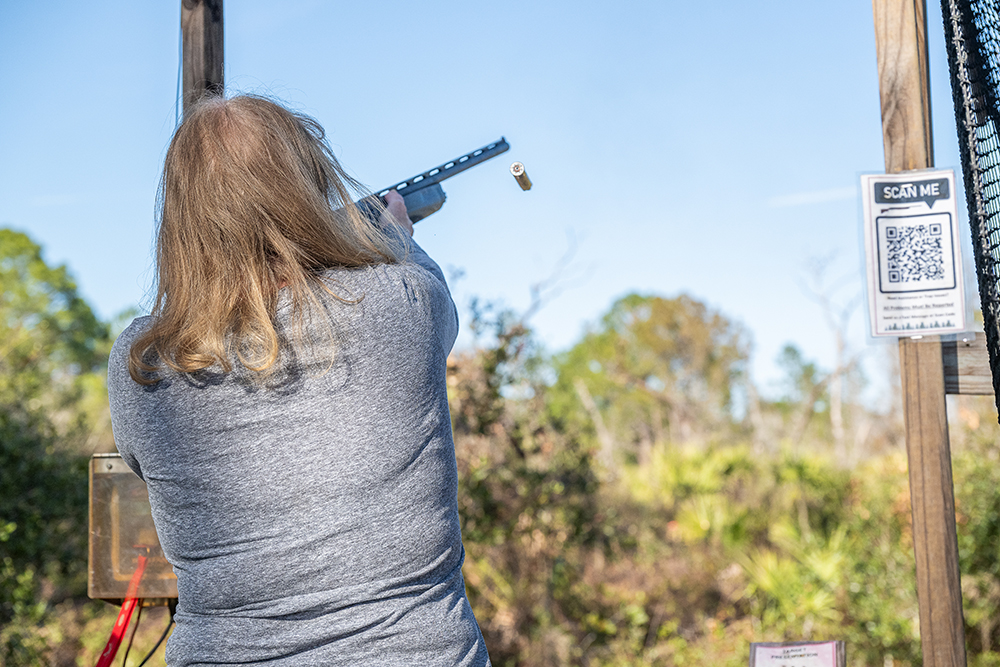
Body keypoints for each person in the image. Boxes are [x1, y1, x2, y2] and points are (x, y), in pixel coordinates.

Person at [107, 95, 491, 666]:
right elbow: (419, 285)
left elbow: (143, 465)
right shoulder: (402, 300)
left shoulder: (140, 360)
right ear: (305, 188)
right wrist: (394, 234)